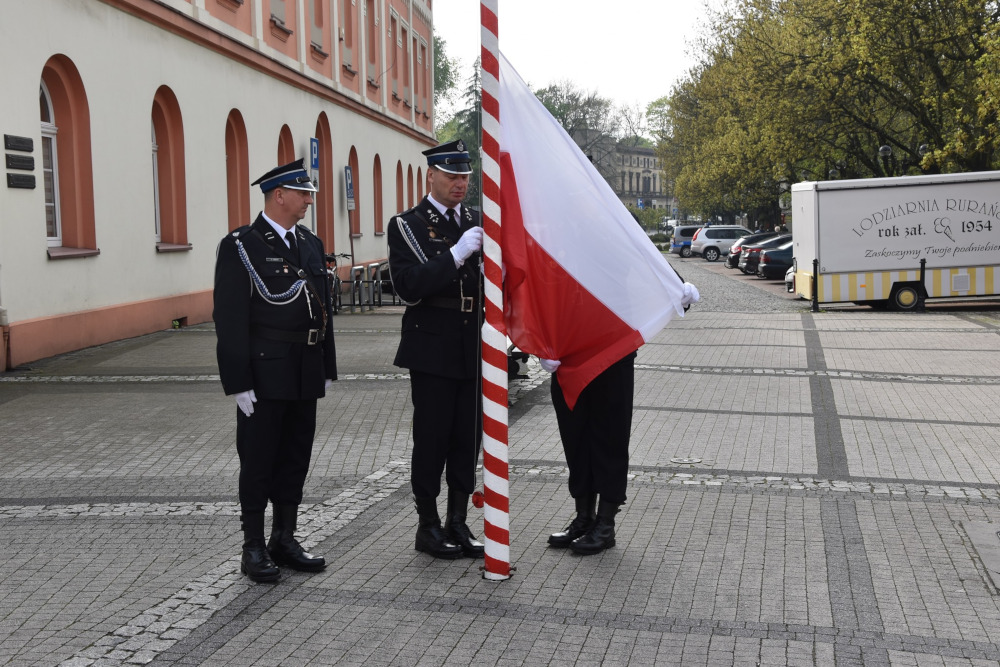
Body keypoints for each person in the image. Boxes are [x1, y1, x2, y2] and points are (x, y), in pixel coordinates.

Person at [214, 158, 337, 582]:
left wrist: (326, 365)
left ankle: (284, 538)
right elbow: (230, 318)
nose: (309, 201)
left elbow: (325, 310)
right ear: (279, 195)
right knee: (258, 460)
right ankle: (252, 546)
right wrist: (238, 381)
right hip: (265, 372)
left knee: (295, 457)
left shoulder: (310, 243)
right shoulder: (241, 245)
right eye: (303, 193)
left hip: (305, 368)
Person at [540, 282, 700, 555]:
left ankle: (605, 523)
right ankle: (584, 517)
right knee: (575, 437)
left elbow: (649, 265)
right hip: (568, 352)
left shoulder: (615, 249)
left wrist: (678, 286)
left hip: (612, 351)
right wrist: (541, 344)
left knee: (610, 438)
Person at [387, 140, 485, 560]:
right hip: (432, 346)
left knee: (467, 437)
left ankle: (457, 521)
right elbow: (409, 286)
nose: (460, 183)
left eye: (464, 176)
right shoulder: (407, 225)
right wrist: (456, 255)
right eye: (451, 175)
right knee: (431, 438)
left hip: (472, 343)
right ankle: (427, 526)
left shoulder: (479, 220)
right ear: (431, 176)